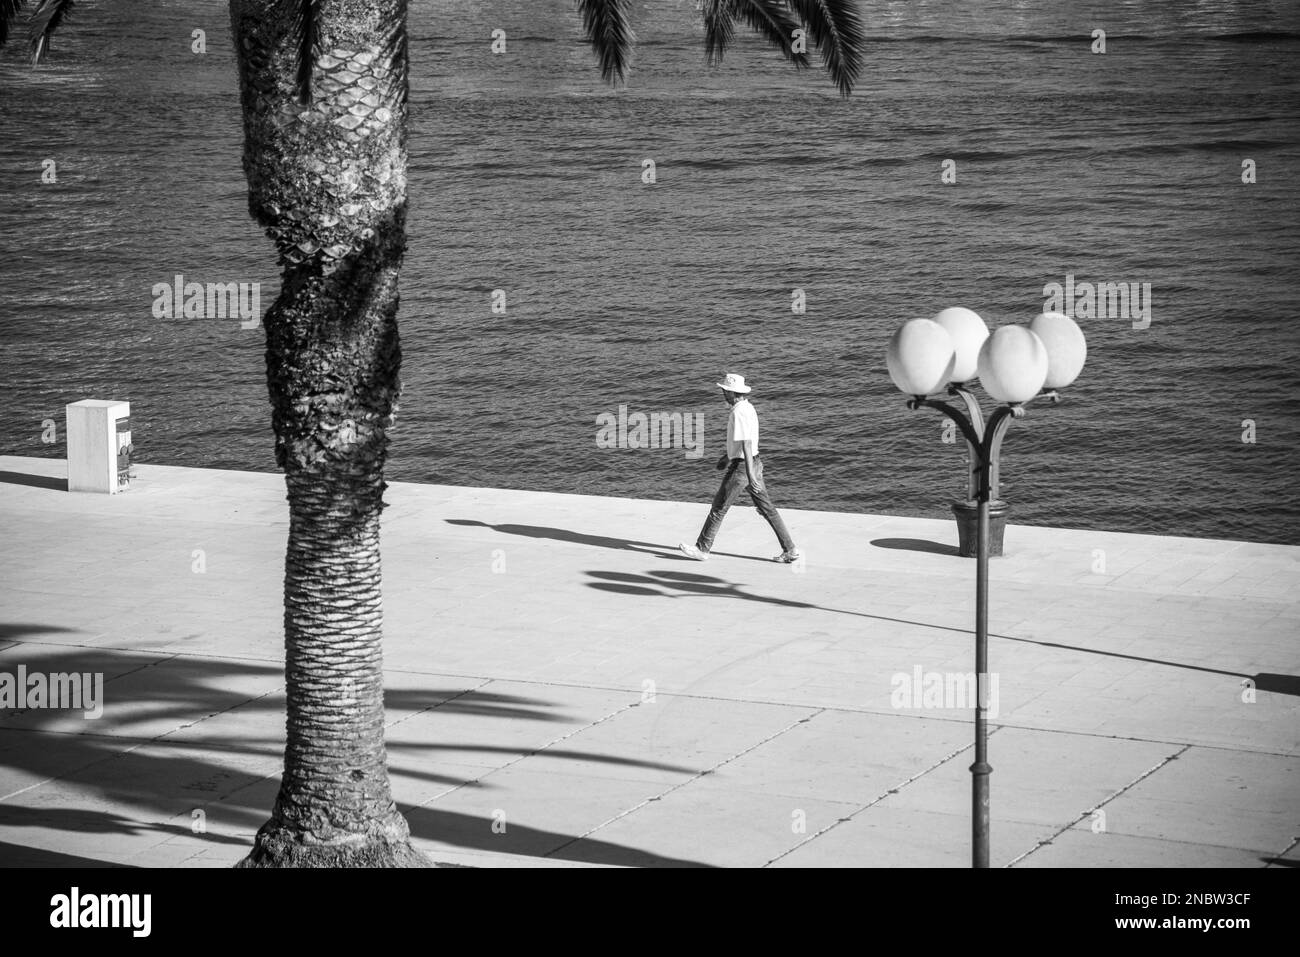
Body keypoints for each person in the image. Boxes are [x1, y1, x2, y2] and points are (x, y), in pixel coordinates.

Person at [680, 373, 801, 563]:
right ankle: (790, 549)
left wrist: (750, 475)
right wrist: (726, 458)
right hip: (752, 462)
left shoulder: (738, 411)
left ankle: (702, 549)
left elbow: (746, 442)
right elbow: (744, 443)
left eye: (724, 391)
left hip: (743, 467)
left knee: (719, 507)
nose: (722, 393)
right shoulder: (748, 407)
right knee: (767, 509)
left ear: (731, 392)